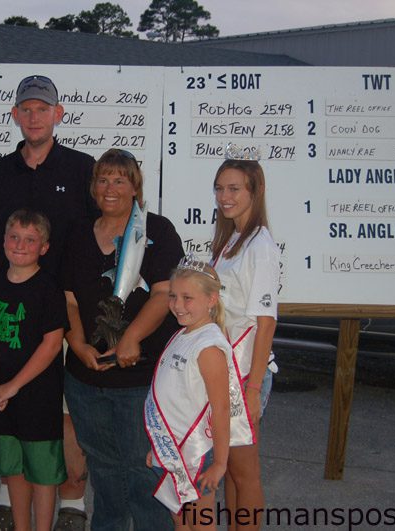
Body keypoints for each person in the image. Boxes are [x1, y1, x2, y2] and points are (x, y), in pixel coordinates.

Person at [0, 74, 95, 531]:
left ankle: (73, 503)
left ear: (58, 114)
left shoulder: (83, 169)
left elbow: (101, 241)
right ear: (15, 115)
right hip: (6, 313)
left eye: (43, 108)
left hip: (64, 313)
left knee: (62, 413)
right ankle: (9, 496)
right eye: (26, 109)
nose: (34, 116)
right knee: (8, 403)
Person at [62, 148, 184, 530]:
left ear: (135, 187)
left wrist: (132, 337)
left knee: (142, 465)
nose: (109, 187)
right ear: (93, 187)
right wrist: (78, 344)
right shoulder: (76, 232)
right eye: (102, 179)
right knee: (103, 467)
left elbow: (165, 294)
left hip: (139, 378)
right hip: (86, 378)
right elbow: (66, 299)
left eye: (120, 179)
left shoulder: (157, 230)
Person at [0, 210, 68, 531]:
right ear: (3, 241)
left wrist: (14, 385)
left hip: (37, 398)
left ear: (44, 247)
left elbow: (52, 345)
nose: (20, 245)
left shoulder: (48, 289)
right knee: (13, 468)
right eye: (14, 237)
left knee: (41, 472)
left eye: (30, 240)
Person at [211, 157, 280, 531]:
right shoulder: (232, 239)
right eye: (220, 188)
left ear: (256, 191)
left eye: (234, 188)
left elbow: (266, 321)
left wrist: (253, 387)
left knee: (245, 471)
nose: (225, 196)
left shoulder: (260, 246)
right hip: (227, 371)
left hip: (245, 373)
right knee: (232, 472)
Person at [145, 258, 232, 531]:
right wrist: (158, 447)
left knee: (200, 521)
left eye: (187, 298)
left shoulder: (208, 346)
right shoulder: (183, 334)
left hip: (197, 453)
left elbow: (221, 409)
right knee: (180, 518)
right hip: (171, 447)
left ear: (211, 299)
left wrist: (219, 463)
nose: (178, 305)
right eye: (173, 296)